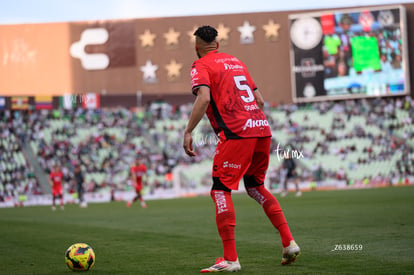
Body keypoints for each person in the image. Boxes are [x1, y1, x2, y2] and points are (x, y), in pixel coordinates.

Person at [183, 25, 300, 273]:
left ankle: (230, 258)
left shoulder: (201, 65)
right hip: (261, 129)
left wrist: (188, 131)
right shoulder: (237, 62)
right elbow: (259, 100)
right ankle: (289, 242)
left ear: (196, 47)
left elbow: (203, 98)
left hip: (237, 133)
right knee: (256, 186)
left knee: (220, 190)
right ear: (218, 43)